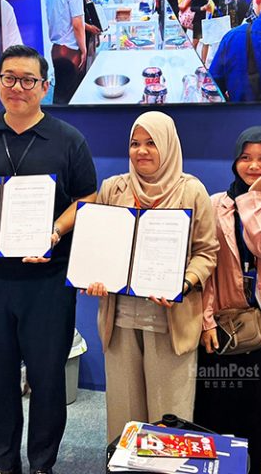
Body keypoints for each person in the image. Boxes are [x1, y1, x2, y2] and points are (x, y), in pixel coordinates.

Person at [0, 45, 97, 474]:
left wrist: (54, 231)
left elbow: (87, 197)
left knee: (48, 378)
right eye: (9, 78)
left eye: (28, 80)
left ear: (44, 86)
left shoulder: (68, 139)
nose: (18, 87)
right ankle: (3, 462)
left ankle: (41, 464)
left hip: (48, 282)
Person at [85, 111, 218, 442]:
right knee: (124, 415)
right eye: (135, 143)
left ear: (168, 145)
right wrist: (95, 275)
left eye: (151, 143)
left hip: (170, 321)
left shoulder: (192, 191)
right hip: (120, 321)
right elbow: (100, 246)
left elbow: (207, 253)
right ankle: (124, 464)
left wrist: (182, 283)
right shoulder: (113, 188)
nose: (141, 151)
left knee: (168, 417)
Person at [193, 126, 261, 474]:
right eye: (245, 157)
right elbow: (206, 266)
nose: (253, 166)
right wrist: (205, 321)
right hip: (224, 319)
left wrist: (254, 198)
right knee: (219, 401)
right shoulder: (215, 204)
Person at [45, 0, 86, 105]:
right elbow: (77, 23)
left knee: (60, 94)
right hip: (70, 50)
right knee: (72, 97)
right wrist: (83, 49)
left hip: (56, 49)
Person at [190, 0, 219, 64]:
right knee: (195, 41)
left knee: (206, 41)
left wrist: (214, 8)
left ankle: (203, 62)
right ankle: (192, 59)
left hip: (209, 20)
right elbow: (192, 8)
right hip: (199, 20)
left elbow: (217, 5)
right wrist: (202, 8)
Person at [79, 0, 103, 71]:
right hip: (86, 36)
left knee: (92, 58)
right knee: (88, 61)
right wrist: (90, 28)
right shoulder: (81, 2)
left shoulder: (89, 1)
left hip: (92, 35)